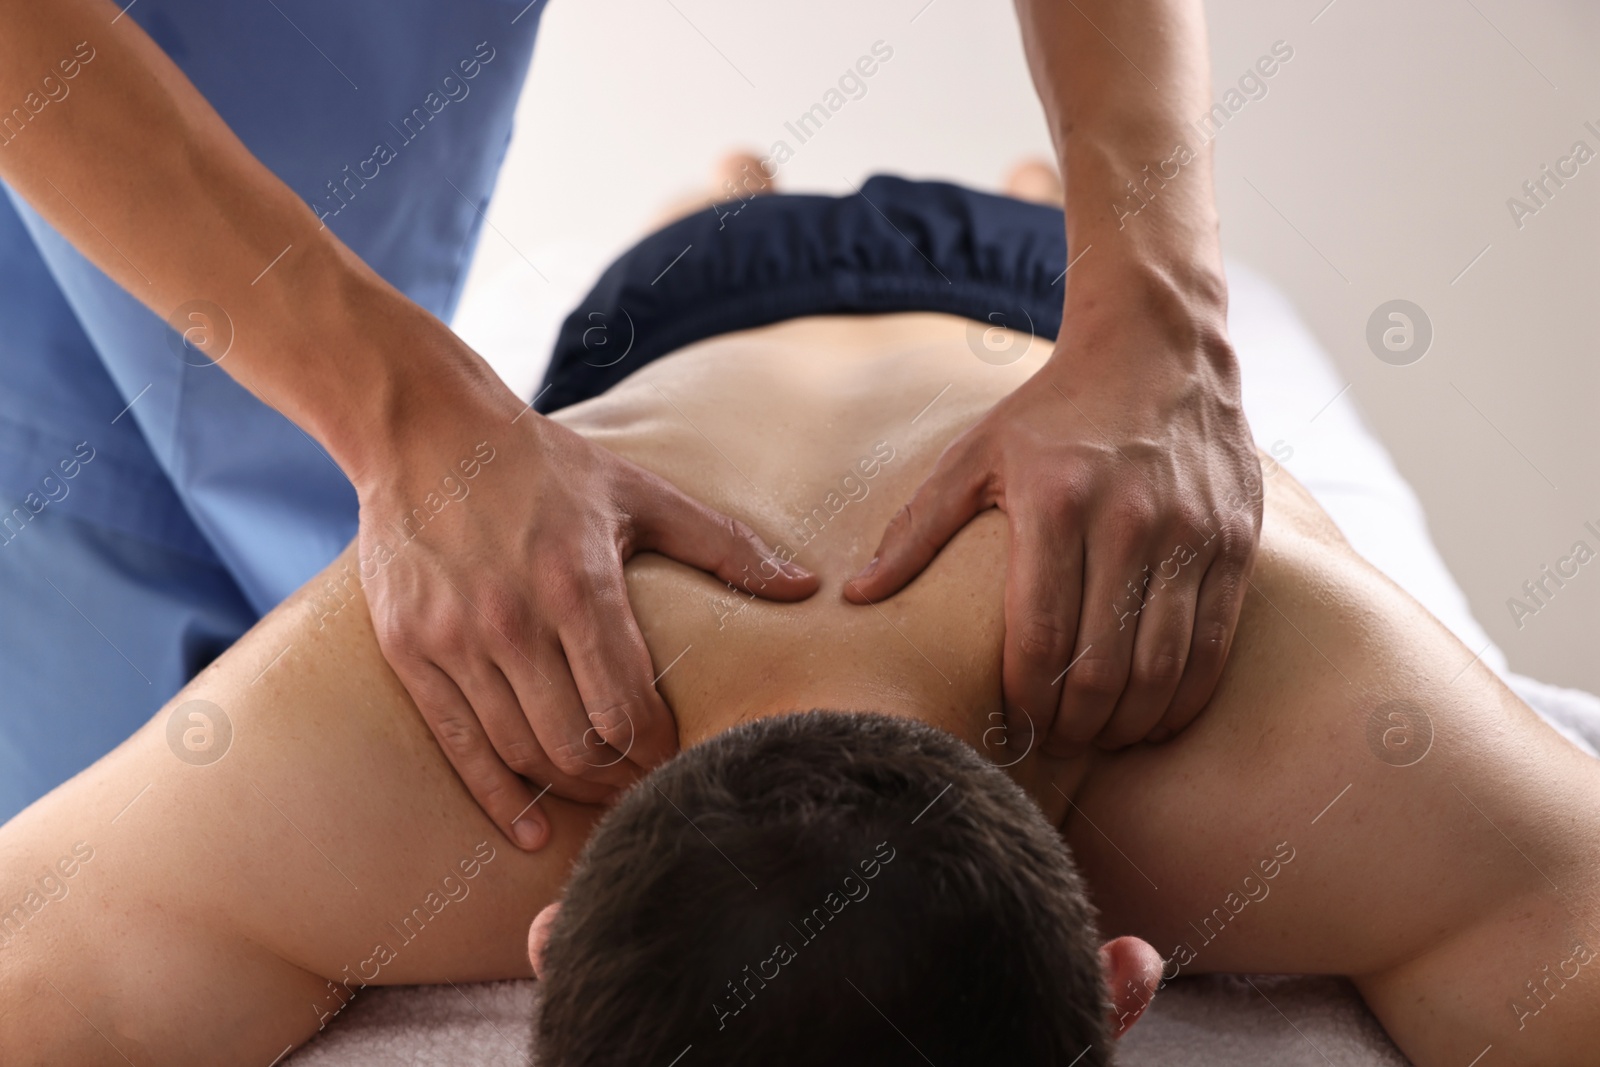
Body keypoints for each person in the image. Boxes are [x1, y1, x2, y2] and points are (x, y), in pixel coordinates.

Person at [1, 166, 1595, 1067]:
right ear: (1128, 985)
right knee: (753, 208)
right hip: (842, 326)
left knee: (831, 207)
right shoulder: (1266, 718)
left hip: (1001, 326)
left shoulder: (426, 746)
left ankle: (868, 192)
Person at [0, 1, 1260, 851]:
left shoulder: (541, 797)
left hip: (605, 283)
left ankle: (745, 195)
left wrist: (1165, 313)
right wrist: (408, 421)